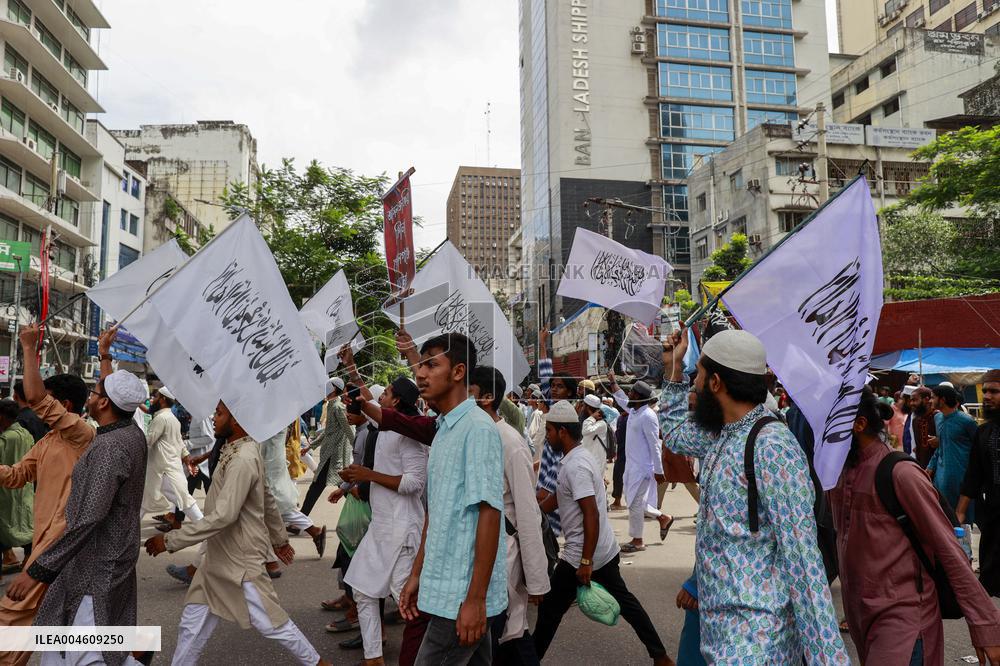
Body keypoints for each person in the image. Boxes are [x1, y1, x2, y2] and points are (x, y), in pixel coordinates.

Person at [659, 326, 847, 663]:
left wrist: (828, 659)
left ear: (716, 382)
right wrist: (672, 366)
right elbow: (674, 433)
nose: (694, 384)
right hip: (721, 635)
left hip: (760, 641)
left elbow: (803, 560)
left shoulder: (772, 446)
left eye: (697, 374)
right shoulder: (722, 435)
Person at [145, 401, 328, 666]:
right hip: (217, 556)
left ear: (237, 420)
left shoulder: (243, 458)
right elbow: (267, 497)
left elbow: (225, 515)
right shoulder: (236, 448)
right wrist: (279, 539)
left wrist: (170, 540)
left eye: (220, 413)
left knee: (272, 623)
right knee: (192, 625)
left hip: (239, 559)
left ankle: (319, 663)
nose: (214, 418)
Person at [7, 326, 149, 666]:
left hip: (93, 560)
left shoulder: (103, 445)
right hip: (82, 555)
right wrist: (104, 355)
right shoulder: (126, 431)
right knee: (59, 648)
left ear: (102, 402)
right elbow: (114, 393)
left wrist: (38, 569)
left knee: (83, 651)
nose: (92, 395)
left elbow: (88, 518)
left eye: (96, 391)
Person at [832, 387, 1000, 663]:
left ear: (858, 424)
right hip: (861, 616)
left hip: (903, 623)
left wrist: (985, 625)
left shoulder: (901, 473)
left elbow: (949, 550)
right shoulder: (838, 473)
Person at [533, 401, 673, 665]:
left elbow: (591, 514)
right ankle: (660, 655)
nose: (547, 436)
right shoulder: (578, 457)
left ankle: (529, 658)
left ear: (562, 431)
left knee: (549, 613)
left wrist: (586, 561)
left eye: (549, 431)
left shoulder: (576, 466)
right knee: (627, 604)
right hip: (600, 550)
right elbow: (560, 497)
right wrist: (533, 511)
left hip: (583, 555)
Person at [397, 333, 507, 665]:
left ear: (458, 372)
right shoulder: (444, 428)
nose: (420, 373)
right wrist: (418, 573)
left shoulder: (478, 429)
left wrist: (475, 600)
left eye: (431, 365)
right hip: (445, 586)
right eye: (420, 365)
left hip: (460, 595)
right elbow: (436, 512)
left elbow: (490, 513)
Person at [0, 328, 97, 666]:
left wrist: (28, 347)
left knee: (13, 611)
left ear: (64, 405)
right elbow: (16, 476)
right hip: (46, 539)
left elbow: (36, 399)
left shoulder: (82, 434)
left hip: (59, 540)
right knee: (51, 621)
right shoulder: (49, 440)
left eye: (49, 401)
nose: (38, 407)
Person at [340, 377, 428, 666]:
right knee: (363, 591)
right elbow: (367, 400)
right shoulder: (384, 425)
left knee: (407, 603)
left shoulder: (409, 435)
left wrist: (369, 475)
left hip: (402, 529)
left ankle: (434, 653)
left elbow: (415, 483)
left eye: (386, 393)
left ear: (397, 401)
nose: (380, 397)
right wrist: (351, 369)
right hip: (381, 527)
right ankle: (374, 658)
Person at [468, 366, 550, 665]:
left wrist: (536, 579)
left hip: (504, 555)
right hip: (476, 554)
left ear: (487, 397)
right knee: (506, 635)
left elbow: (528, 514)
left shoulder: (511, 443)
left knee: (506, 631)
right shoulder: (471, 435)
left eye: (469, 394)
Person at [607, 374, 673, 552]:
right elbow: (621, 398)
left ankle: (638, 540)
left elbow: (655, 445)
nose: (629, 394)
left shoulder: (648, 415)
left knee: (635, 504)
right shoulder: (634, 412)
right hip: (631, 467)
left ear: (638, 396)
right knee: (633, 501)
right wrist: (612, 381)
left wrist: (659, 471)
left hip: (643, 469)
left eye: (631, 392)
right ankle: (663, 518)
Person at [957, 369, 1000, 596]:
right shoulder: (983, 432)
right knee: (991, 577)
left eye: (994, 391)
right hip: (993, 516)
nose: (987, 396)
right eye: (985, 391)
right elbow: (973, 475)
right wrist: (960, 512)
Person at [259, 426, 326, 559]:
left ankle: (313, 531)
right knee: (275, 506)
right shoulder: (276, 423)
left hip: (271, 463)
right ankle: (313, 531)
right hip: (273, 462)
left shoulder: (272, 425)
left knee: (275, 506)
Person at [144, 387, 204, 532]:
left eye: (156, 397)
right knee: (143, 503)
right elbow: (181, 445)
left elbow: (148, 440)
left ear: (163, 399)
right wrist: (188, 461)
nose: (153, 400)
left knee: (185, 501)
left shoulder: (162, 418)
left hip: (165, 471)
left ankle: (206, 530)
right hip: (165, 469)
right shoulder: (172, 418)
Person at [301, 378, 354, 517]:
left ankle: (301, 520)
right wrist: (310, 446)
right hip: (329, 454)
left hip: (334, 456)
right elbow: (327, 431)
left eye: (327, 386)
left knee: (317, 486)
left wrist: (358, 449)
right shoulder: (332, 405)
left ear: (334, 388)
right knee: (340, 485)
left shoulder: (337, 407)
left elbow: (349, 430)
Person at [927, 384, 979, 521]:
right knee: (943, 517)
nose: (930, 401)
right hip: (941, 477)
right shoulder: (937, 418)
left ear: (942, 400)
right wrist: (930, 467)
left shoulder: (967, 421)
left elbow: (978, 449)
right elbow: (941, 446)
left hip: (961, 478)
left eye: (933, 398)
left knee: (962, 519)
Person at [0, 400, 34, 585]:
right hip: (24, 490)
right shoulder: (26, 434)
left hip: (5, 490)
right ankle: (26, 562)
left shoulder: (5, 438)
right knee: (26, 527)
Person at [580, 394, 611, 472]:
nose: (582, 408)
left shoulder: (601, 423)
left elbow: (585, 431)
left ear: (587, 408)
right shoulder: (590, 421)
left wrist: (592, 417)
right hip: (588, 461)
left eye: (583, 405)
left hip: (596, 463)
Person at [911, 387, 938, 468]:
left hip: (939, 466)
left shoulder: (938, 417)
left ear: (926, 399)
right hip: (922, 466)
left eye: (915, 400)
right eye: (911, 400)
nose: (911, 403)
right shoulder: (915, 420)